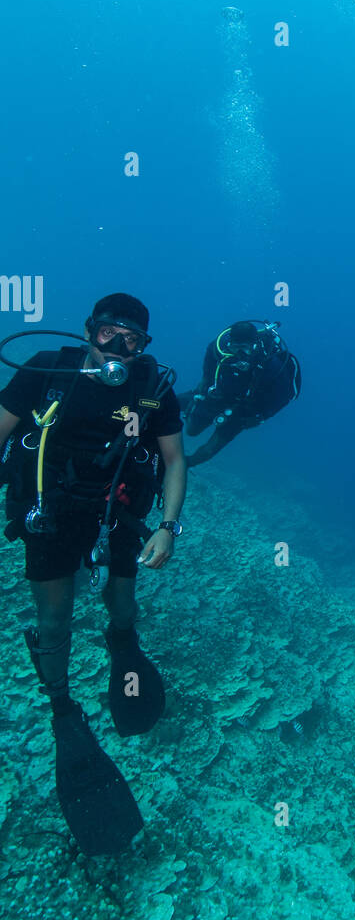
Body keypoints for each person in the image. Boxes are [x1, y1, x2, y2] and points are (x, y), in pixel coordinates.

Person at [0, 293, 186, 855]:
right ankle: (61, 702)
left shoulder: (151, 390)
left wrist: (168, 527)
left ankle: (123, 643)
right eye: (110, 334)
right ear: (89, 331)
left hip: (117, 514)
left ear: (143, 347)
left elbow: (175, 461)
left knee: (121, 603)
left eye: (133, 341)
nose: (120, 349)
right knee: (55, 620)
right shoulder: (44, 372)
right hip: (50, 513)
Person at [177, 320, 300, 467]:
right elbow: (210, 355)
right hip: (219, 396)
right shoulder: (219, 349)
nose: (240, 353)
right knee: (191, 430)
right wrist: (205, 381)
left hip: (245, 410)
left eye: (245, 348)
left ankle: (181, 466)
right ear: (230, 344)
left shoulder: (270, 365)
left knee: (211, 448)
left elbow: (284, 395)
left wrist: (262, 417)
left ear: (254, 345)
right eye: (236, 347)